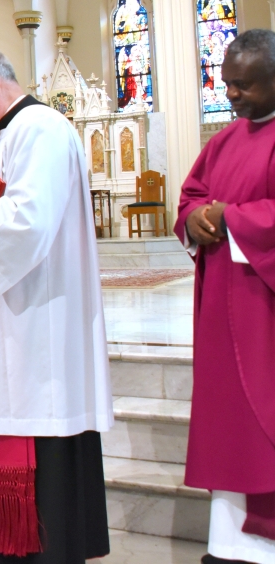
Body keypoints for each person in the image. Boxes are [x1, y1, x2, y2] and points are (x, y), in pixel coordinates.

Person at [0, 46, 112, 563]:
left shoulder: (40, 128)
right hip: (19, 327)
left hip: (37, 334)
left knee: (40, 453)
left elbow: (28, 220)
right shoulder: (14, 136)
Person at [175, 29, 275, 564]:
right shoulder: (222, 141)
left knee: (264, 424)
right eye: (227, 83)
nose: (231, 95)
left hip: (265, 312)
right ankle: (229, 543)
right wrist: (194, 216)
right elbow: (192, 194)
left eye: (245, 86)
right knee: (229, 427)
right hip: (221, 306)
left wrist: (230, 217)